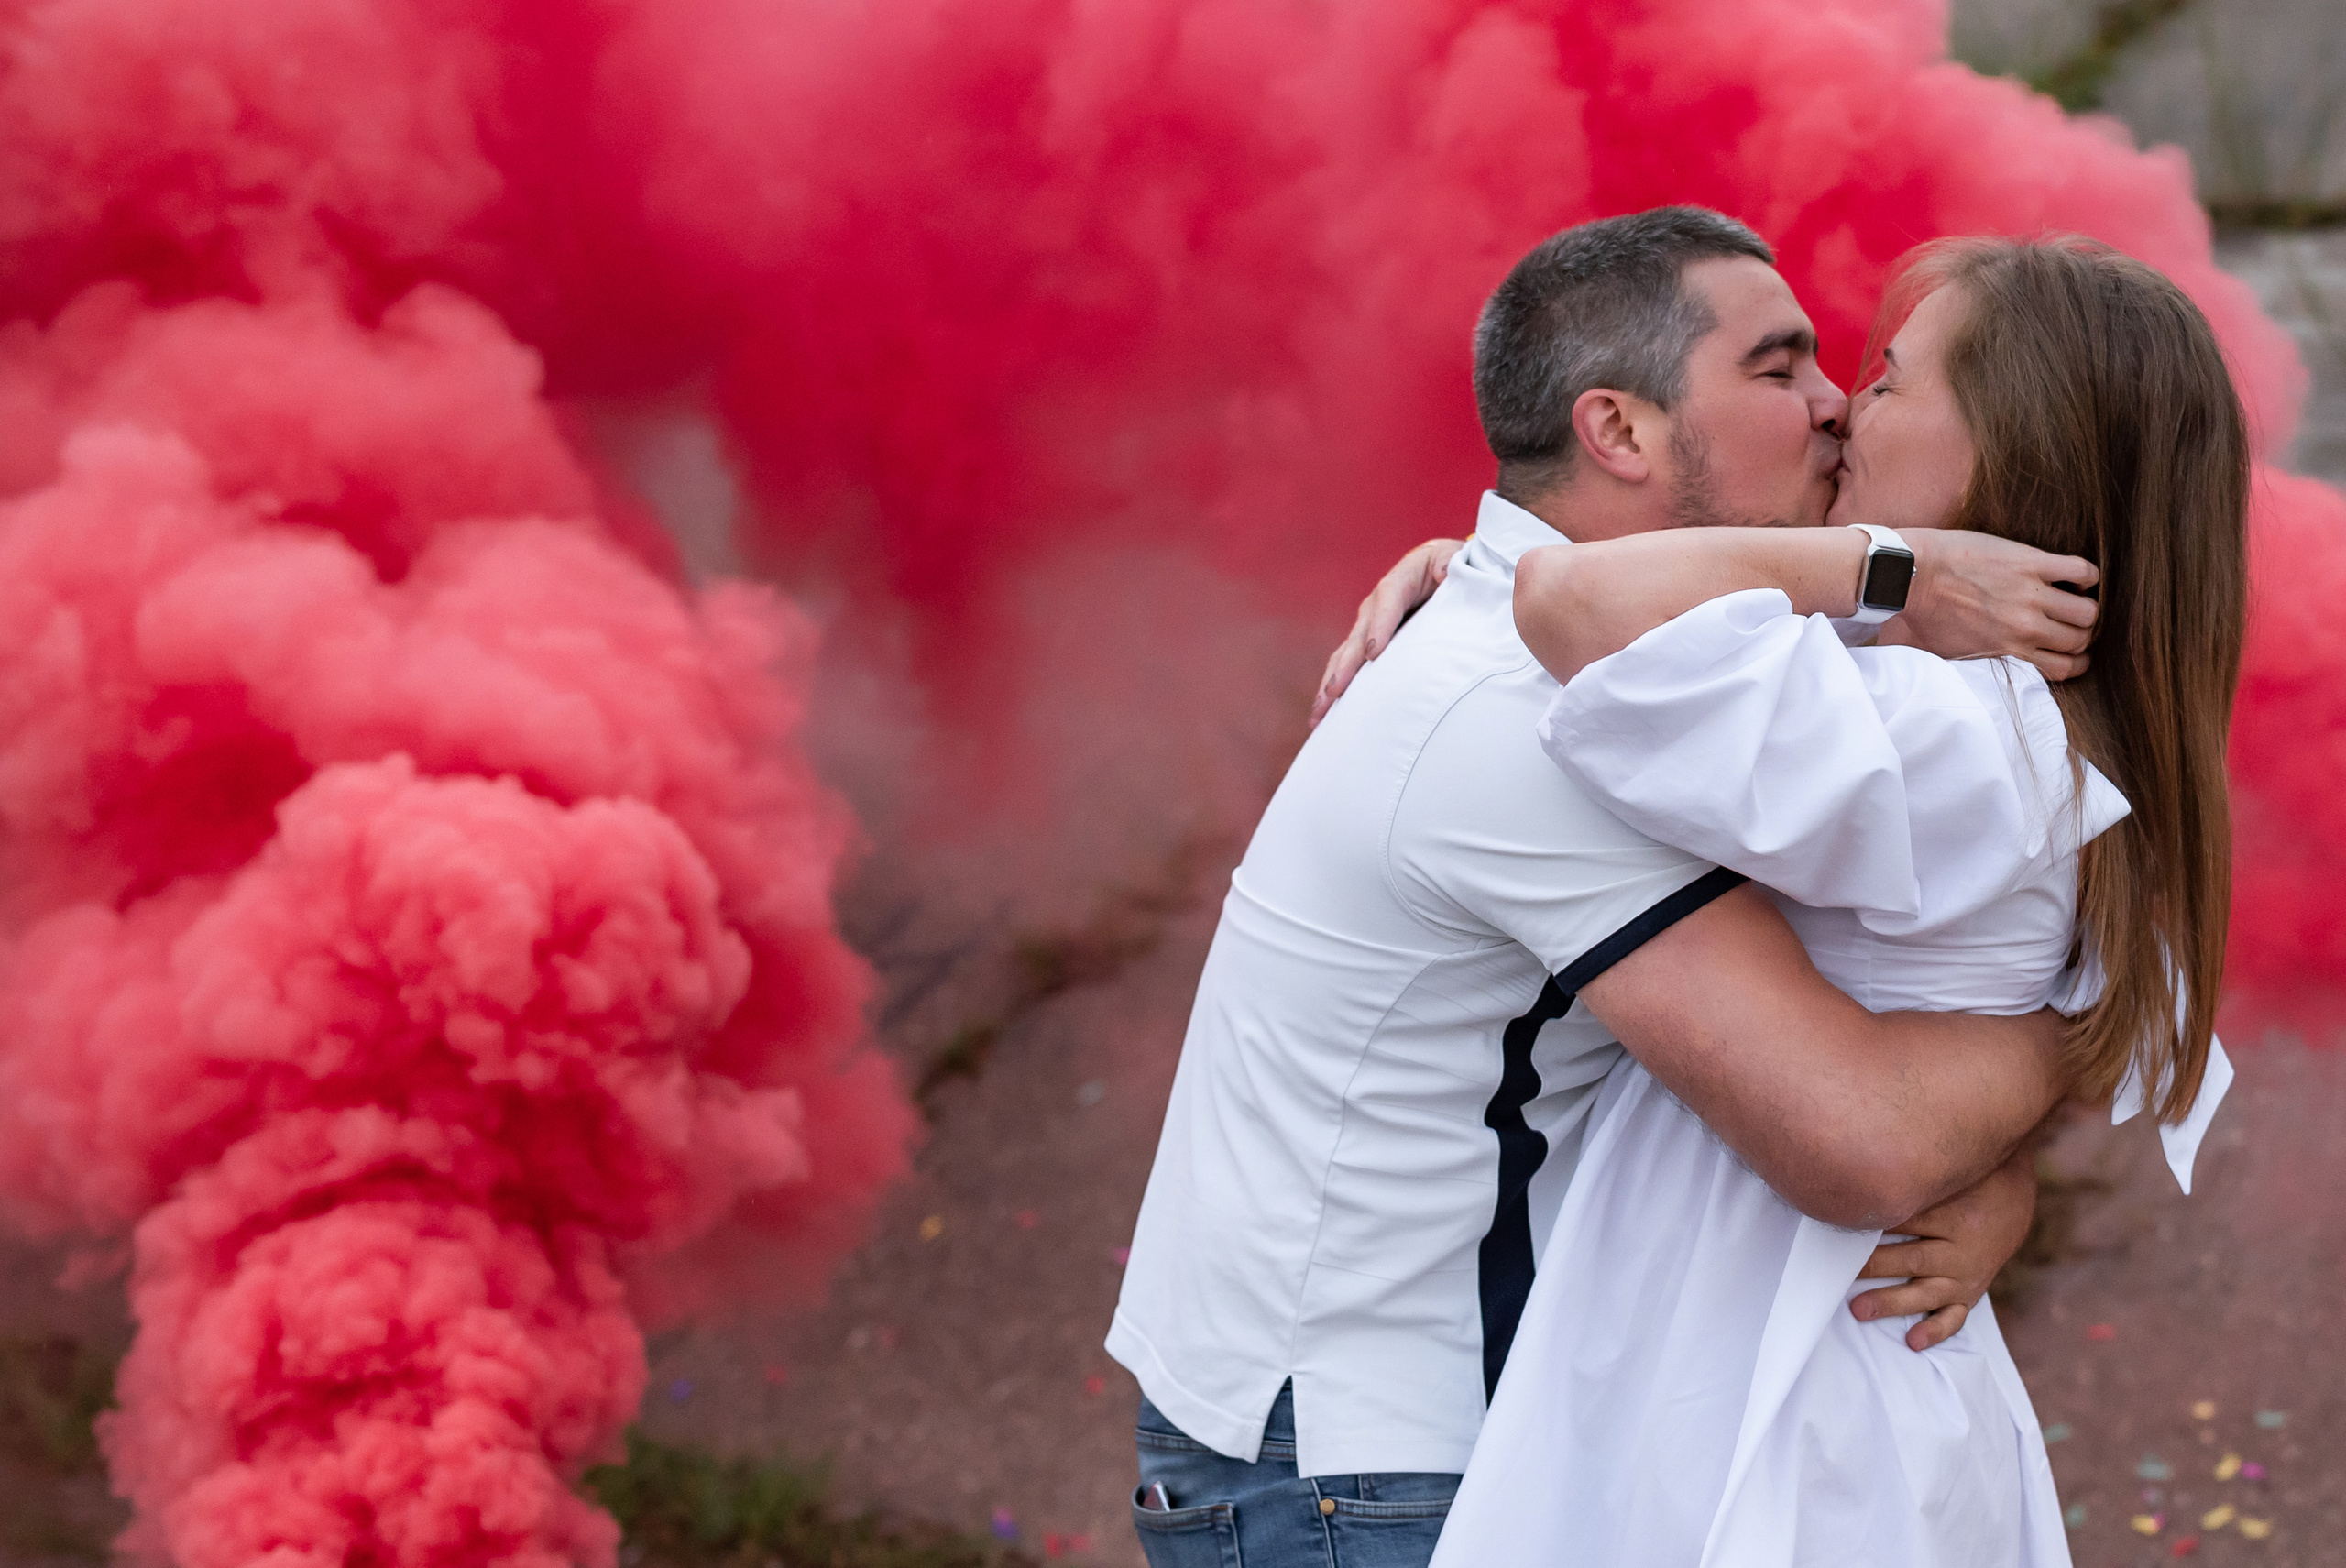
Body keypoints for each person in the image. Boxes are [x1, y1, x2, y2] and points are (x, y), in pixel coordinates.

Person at [1109, 208, 2101, 1568]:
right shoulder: (1541, 725)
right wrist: (2090, 1027)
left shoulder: (1560, 642)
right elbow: (1861, 1139)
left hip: (1376, 1434)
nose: (1828, 408)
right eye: (1777, 370)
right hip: (1359, 1471)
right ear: (1620, 434)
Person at [1346, 237, 2242, 1565]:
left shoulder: (1948, 729)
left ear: (2008, 450)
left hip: (1781, 1366)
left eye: (1886, 379)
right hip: (1820, 1332)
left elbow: (1570, 601)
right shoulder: (1997, 709)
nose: (1841, 407)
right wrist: (1463, 558)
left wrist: (1883, 560)